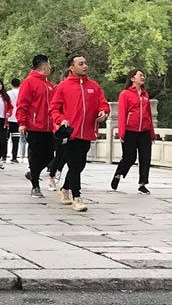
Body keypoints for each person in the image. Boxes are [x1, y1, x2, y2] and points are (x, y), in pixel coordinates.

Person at [49, 55, 110, 212]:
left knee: (79, 165)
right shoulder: (63, 86)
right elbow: (54, 108)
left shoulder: (94, 86)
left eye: (85, 63)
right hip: (71, 133)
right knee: (74, 164)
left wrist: (103, 112)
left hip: (87, 132)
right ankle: (77, 197)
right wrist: (61, 119)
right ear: (72, 67)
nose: (85, 66)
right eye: (81, 64)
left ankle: (65, 188)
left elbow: (103, 104)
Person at [15, 55, 56, 198]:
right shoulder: (29, 82)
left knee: (50, 155)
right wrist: (22, 123)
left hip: (49, 127)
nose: (51, 67)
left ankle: (33, 173)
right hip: (34, 126)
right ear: (44, 66)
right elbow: (22, 104)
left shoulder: (49, 85)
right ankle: (35, 186)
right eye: (49, 65)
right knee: (36, 156)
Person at [111, 69, 155, 194]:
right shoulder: (125, 94)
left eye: (143, 75)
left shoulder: (145, 95)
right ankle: (119, 174)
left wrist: (152, 133)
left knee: (145, 158)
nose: (143, 77)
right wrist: (121, 133)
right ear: (132, 78)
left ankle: (142, 184)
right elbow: (122, 114)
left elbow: (149, 115)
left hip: (145, 131)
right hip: (130, 130)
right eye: (140, 75)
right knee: (129, 158)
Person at [7, 78, 23, 162]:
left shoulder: (8, 93)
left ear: (11, 84)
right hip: (17, 119)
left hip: (8, 118)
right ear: (20, 84)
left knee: (5, 139)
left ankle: (3, 155)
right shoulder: (21, 93)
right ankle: (14, 157)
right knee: (15, 139)